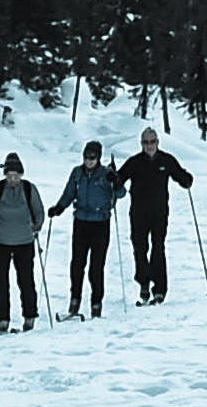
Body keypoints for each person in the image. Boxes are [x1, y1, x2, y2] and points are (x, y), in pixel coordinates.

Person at [120, 125, 195, 303]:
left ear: (158, 142)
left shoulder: (166, 160)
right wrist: (112, 178)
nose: (149, 145)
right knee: (139, 248)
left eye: (152, 142)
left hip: (159, 212)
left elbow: (180, 175)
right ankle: (144, 282)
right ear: (141, 144)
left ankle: (160, 288)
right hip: (138, 213)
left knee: (158, 247)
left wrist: (187, 180)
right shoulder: (135, 162)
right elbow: (119, 178)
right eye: (146, 142)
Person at [0, 151, 48, 330]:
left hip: (24, 241)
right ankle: (2, 319)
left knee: (26, 279)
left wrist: (37, 225)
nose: (13, 179)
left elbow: (39, 210)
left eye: (16, 175)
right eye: (9, 175)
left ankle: (30, 315)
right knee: (1, 281)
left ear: (21, 174)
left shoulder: (29, 189)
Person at [56, 139, 121, 319]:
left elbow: (121, 194)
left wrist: (116, 181)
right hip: (81, 222)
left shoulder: (106, 174)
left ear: (98, 158)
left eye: (92, 157)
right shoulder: (77, 173)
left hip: (100, 223)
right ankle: (75, 299)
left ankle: (96, 302)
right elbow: (69, 193)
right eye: (86, 157)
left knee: (96, 266)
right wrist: (59, 207)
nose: (89, 161)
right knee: (77, 264)